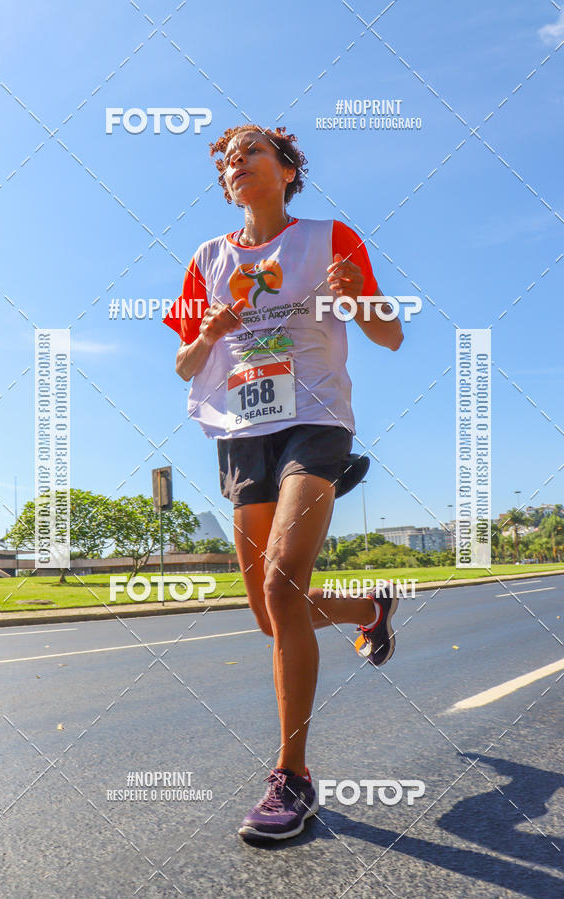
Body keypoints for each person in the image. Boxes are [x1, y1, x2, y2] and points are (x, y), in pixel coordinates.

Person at [164, 124, 403, 841]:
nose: (236, 164)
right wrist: (208, 334)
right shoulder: (207, 258)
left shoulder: (331, 238)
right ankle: (370, 608)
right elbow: (183, 366)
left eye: (252, 153)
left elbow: (389, 334)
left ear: (289, 169)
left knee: (280, 586)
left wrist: (358, 297)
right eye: (228, 159)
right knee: (273, 615)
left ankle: (291, 778)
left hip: (316, 419)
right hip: (244, 432)